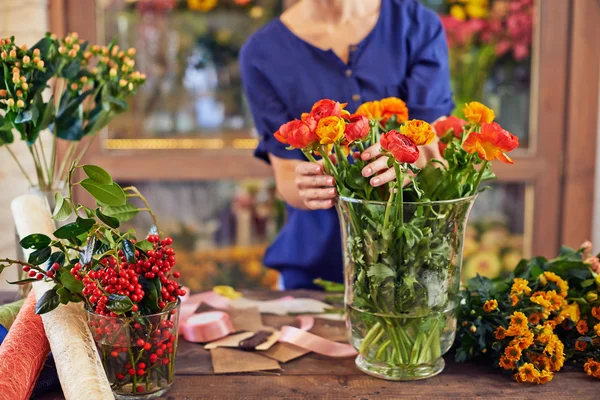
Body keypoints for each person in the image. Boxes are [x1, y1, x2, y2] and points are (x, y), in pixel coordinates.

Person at [240, 0, 454, 289]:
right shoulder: (262, 53)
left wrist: (408, 159)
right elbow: (287, 174)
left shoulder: (417, 26)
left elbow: (433, 143)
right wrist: (306, 186)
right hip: (313, 272)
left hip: (414, 265)